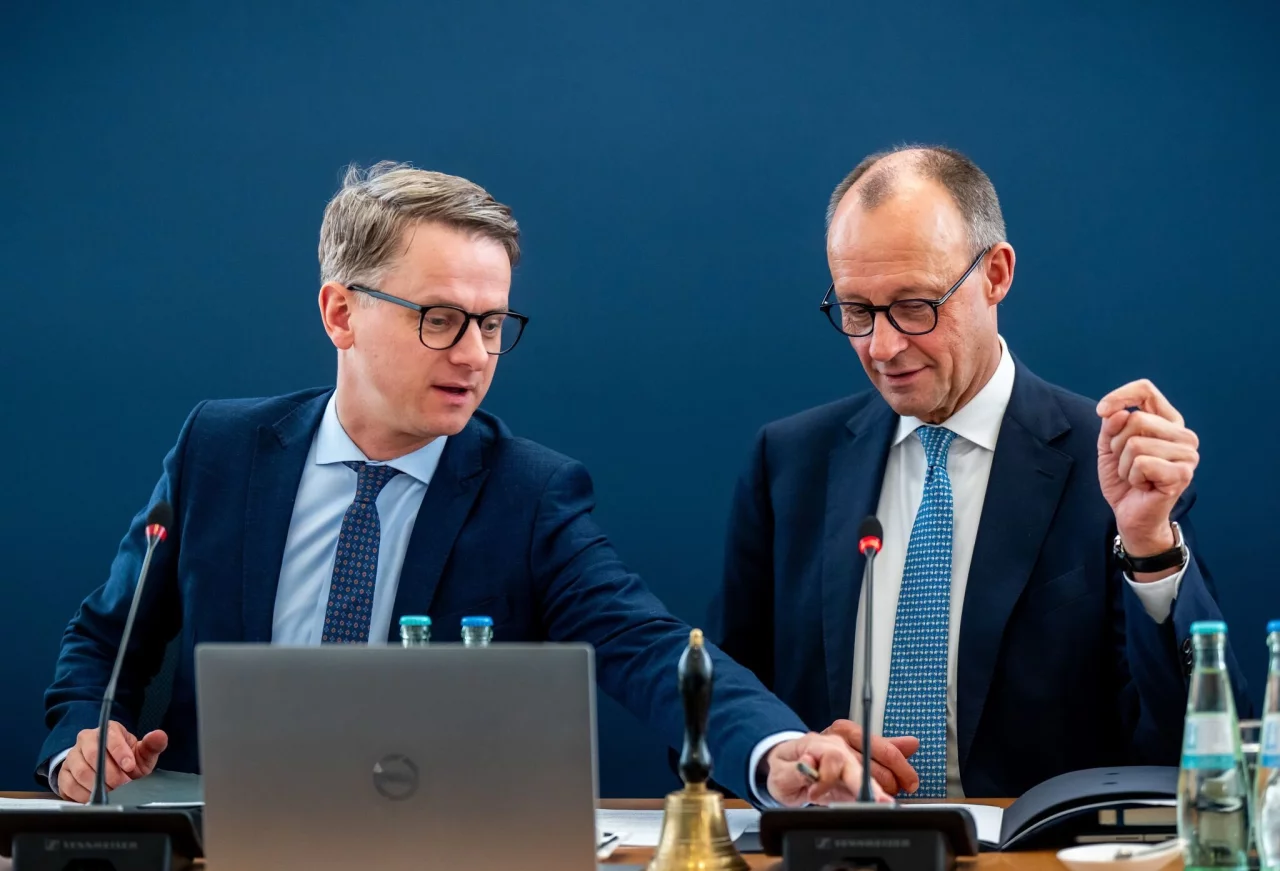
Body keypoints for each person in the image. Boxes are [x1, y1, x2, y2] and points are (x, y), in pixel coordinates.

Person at [40, 161, 881, 807]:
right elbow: (105, 641)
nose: (475, 355)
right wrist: (83, 739)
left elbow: (648, 646)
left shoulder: (529, 494)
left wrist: (776, 750)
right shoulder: (221, 451)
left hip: (433, 839)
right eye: (440, 319)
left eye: (492, 323)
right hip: (228, 836)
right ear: (340, 313)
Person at [712, 145, 1251, 800]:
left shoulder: (1110, 467)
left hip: (1035, 846)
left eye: (915, 305)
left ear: (995, 274)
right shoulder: (789, 462)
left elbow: (1195, 754)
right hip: (834, 838)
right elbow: (713, 719)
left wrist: (1149, 549)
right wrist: (788, 760)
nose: (883, 347)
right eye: (856, 311)